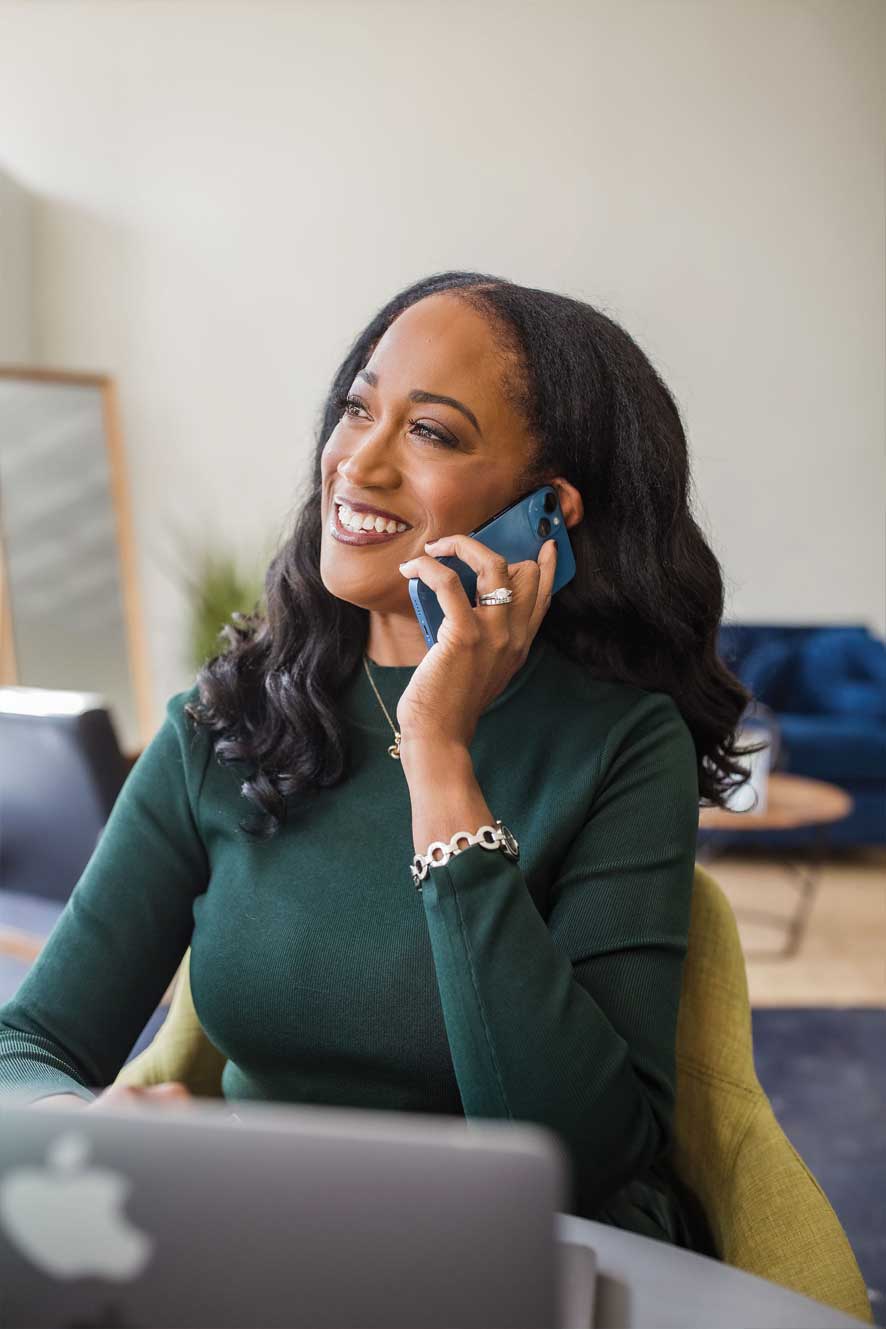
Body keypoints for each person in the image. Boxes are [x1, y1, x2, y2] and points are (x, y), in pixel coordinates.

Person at [0, 270, 754, 1251]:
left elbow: (581, 1155)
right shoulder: (223, 725)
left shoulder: (620, 745)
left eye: (430, 432)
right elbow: (30, 1043)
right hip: (256, 1250)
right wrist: (75, 1124)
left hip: (525, 1258)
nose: (360, 463)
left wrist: (438, 755)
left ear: (547, 511)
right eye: (356, 410)